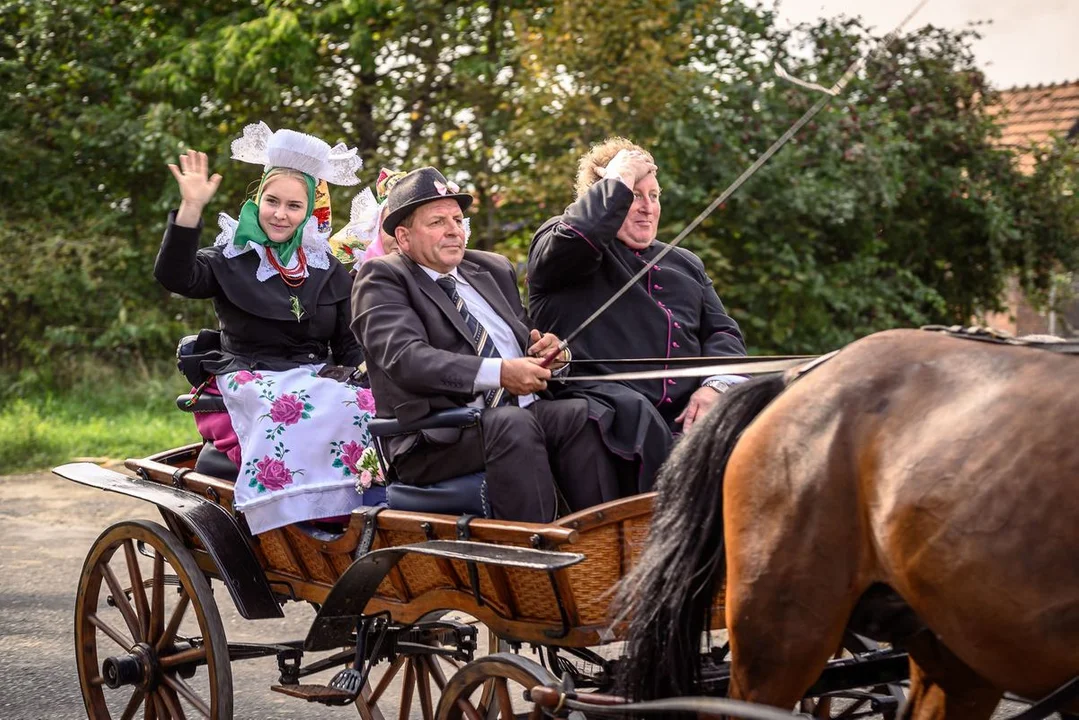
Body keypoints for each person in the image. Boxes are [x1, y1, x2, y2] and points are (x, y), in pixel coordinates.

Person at [351, 167, 622, 523]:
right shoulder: (384, 277)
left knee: (583, 414)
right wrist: (501, 373)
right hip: (434, 437)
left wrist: (553, 354)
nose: (453, 230)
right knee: (513, 424)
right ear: (403, 237)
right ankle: (534, 557)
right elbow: (406, 359)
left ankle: (600, 541)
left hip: (515, 414)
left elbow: (526, 340)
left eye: (458, 219)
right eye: (437, 222)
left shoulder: (492, 269)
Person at [154, 122, 380, 534]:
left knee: (368, 406)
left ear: (308, 210)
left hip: (317, 376)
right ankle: (289, 515)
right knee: (292, 410)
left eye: (294, 206)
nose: (281, 214)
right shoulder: (230, 255)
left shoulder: (325, 267)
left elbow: (349, 345)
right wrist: (190, 209)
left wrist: (369, 381)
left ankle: (350, 514)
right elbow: (176, 277)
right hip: (251, 375)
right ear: (257, 199)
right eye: (272, 201)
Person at [527, 137, 747, 484]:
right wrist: (618, 181)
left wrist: (715, 388)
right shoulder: (560, 241)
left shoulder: (685, 262)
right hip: (609, 411)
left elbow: (721, 332)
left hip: (689, 410)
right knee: (633, 414)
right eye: (633, 196)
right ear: (604, 199)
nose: (647, 207)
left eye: (654, 196)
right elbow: (577, 236)